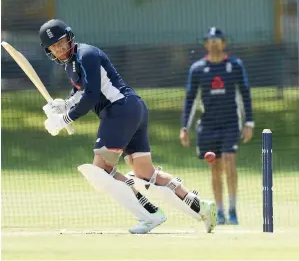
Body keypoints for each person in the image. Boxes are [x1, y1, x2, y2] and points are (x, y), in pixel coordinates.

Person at [39, 19, 217, 234]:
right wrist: (64, 104)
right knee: (144, 173)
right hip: (131, 108)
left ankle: (150, 214)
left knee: (101, 170)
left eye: (61, 42)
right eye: (54, 47)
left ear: (69, 38)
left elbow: (92, 94)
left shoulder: (86, 54)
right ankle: (201, 207)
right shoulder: (71, 64)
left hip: (120, 110)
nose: (59, 49)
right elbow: (81, 92)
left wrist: (66, 119)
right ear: (49, 51)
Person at [179, 27, 254, 225]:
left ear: (224, 43)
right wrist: (184, 127)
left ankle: (232, 208)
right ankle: (219, 211)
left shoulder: (235, 66)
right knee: (215, 167)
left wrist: (249, 123)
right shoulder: (197, 69)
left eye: (217, 40)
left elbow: (245, 94)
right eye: (210, 40)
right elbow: (190, 99)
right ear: (206, 44)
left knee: (230, 161)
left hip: (230, 122)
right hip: (208, 125)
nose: (214, 43)